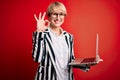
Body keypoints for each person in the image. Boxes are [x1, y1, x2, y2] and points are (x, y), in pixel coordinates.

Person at [32, 1, 91, 80]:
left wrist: (88, 63)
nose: (58, 18)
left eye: (61, 14)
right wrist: (39, 32)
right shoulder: (42, 34)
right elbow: (37, 58)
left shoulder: (68, 37)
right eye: (55, 14)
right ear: (49, 16)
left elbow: (71, 60)